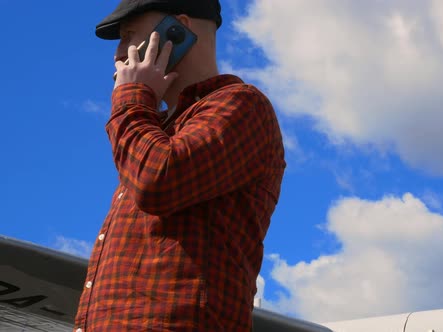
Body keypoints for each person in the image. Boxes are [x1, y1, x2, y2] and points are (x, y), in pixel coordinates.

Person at [74, 1, 286, 331]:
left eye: (128, 35)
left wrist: (132, 97)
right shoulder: (154, 129)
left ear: (179, 29)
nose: (118, 54)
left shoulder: (242, 104)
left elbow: (156, 180)